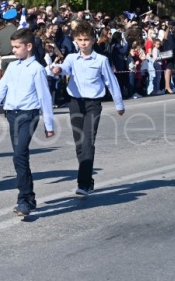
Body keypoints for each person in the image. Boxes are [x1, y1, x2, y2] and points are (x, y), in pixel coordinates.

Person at [0, 28, 55, 217]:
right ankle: (29, 197)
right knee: (20, 157)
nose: (13, 50)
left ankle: (23, 200)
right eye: (12, 47)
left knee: (19, 155)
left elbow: (44, 97)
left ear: (28, 47)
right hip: (12, 115)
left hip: (28, 116)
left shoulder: (37, 69)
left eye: (16, 47)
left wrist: (49, 125)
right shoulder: (13, 67)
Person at [52, 20, 125, 196]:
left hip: (93, 104)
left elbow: (110, 81)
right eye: (80, 39)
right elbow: (64, 68)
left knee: (88, 141)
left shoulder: (101, 60)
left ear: (93, 40)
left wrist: (119, 103)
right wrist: (57, 69)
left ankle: (83, 183)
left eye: (86, 39)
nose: (83, 43)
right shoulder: (72, 58)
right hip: (76, 103)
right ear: (76, 40)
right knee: (79, 143)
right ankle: (88, 178)